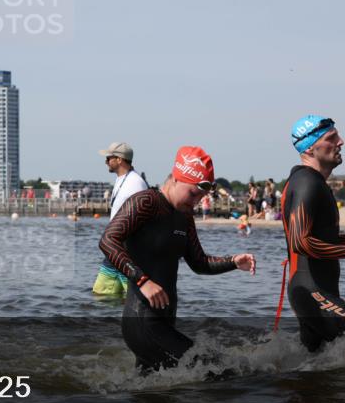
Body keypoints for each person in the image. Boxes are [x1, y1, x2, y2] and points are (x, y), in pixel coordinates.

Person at [99, 146, 255, 373]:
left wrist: (233, 261)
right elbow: (107, 241)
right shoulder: (145, 202)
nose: (196, 202)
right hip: (142, 322)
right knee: (223, 371)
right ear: (175, 179)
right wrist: (143, 281)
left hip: (164, 321)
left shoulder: (184, 216)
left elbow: (199, 262)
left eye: (201, 197)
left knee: (154, 398)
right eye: (193, 194)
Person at [275, 115, 345, 352]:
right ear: (309, 147)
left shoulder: (313, 182)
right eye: (332, 138)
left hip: (314, 292)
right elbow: (300, 242)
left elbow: (319, 239)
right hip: (311, 291)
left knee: (315, 372)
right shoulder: (307, 182)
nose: (341, 142)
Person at [92, 142, 148, 297]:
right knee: (101, 292)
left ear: (119, 160)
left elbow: (142, 217)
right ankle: (107, 321)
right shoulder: (122, 179)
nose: (105, 161)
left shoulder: (135, 183)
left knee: (134, 295)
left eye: (109, 158)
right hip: (116, 246)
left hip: (126, 248)